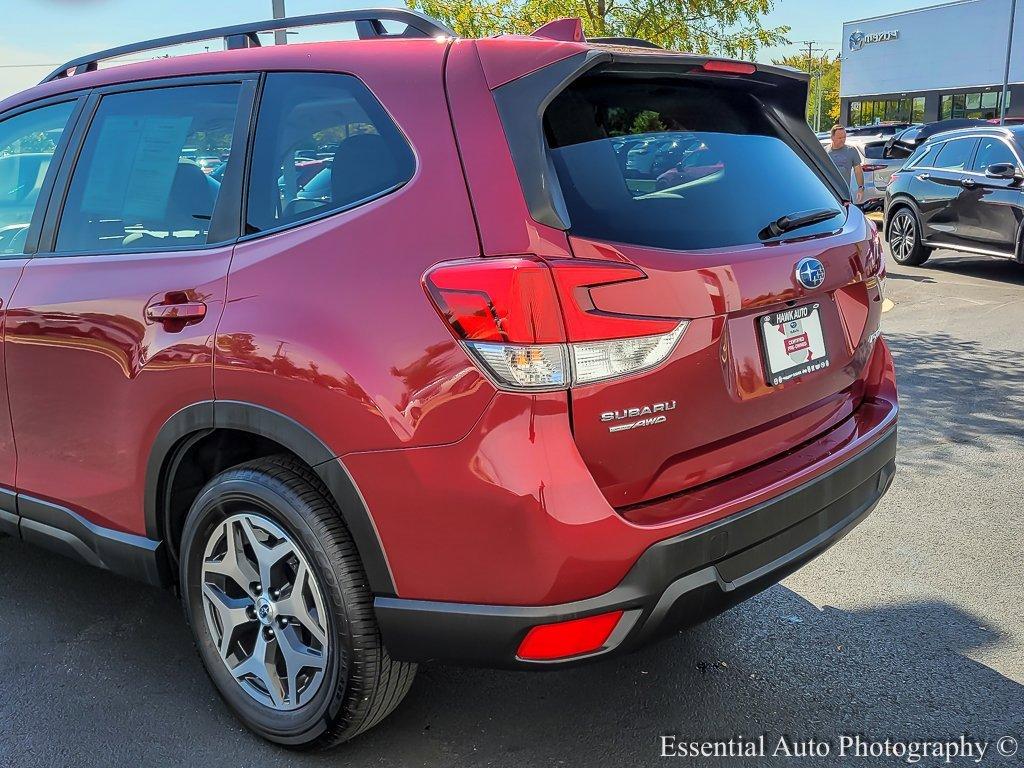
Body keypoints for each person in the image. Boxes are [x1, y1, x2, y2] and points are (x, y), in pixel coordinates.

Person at [827, 124, 864, 203]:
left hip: (844, 195)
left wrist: (860, 188)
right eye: (839, 138)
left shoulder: (851, 150)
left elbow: (858, 171)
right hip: (828, 193)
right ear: (832, 138)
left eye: (844, 137)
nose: (842, 140)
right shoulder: (825, 152)